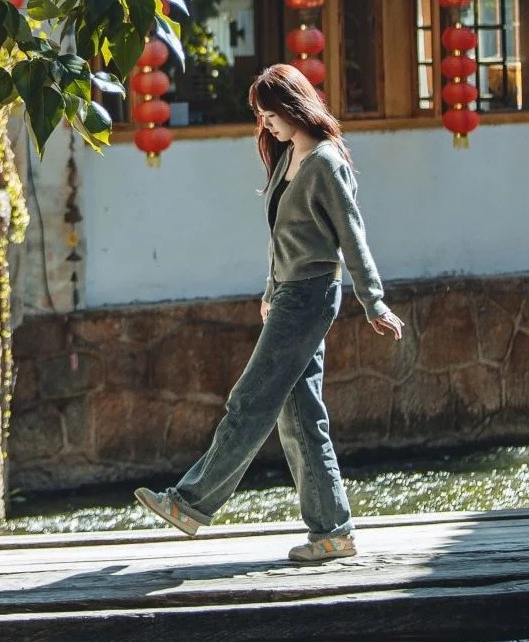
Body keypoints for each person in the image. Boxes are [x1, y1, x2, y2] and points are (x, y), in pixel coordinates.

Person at [135, 63, 404, 563]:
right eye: (261, 116)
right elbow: (283, 235)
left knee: (251, 399)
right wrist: (270, 288)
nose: (266, 124)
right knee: (300, 416)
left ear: (292, 106)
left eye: (270, 114)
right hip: (288, 294)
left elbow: (352, 236)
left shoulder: (325, 162)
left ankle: (189, 503)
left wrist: (374, 300)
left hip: (310, 296)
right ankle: (333, 533)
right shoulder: (288, 157)